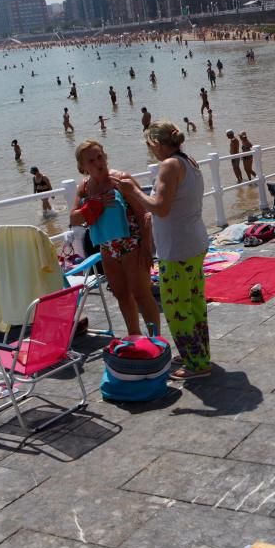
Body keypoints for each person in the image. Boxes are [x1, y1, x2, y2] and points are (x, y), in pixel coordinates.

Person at [113, 123, 211, 380]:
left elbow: (161, 207)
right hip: (193, 242)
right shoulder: (188, 161)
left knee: (177, 309)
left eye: (150, 146)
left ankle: (196, 364)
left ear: (156, 143)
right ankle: (198, 353)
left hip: (178, 248)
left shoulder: (169, 165)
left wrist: (132, 190)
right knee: (194, 304)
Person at [70, 140, 160, 338]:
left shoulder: (120, 180)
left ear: (106, 156)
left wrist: (147, 248)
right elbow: (74, 218)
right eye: (91, 160)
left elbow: (143, 214)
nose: (97, 163)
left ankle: (156, 339)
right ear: (82, 166)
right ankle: (135, 337)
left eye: (99, 157)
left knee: (142, 294)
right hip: (107, 247)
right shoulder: (85, 188)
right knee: (121, 295)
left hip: (132, 243)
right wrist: (95, 203)